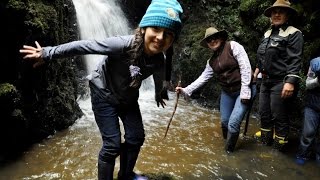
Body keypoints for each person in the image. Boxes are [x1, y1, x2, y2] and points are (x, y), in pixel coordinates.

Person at [19, 0, 183, 179]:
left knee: (136, 137)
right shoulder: (121, 45)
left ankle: (126, 175)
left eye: (168, 34)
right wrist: (47, 53)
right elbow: (85, 46)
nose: (160, 37)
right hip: (103, 94)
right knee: (112, 145)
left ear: (172, 40)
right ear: (144, 28)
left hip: (127, 97)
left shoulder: (159, 59)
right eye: (156, 30)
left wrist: (159, 92)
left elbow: (159, 75)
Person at [175, 27, 254, 153]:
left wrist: (245, 91)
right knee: (224, 122)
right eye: (209, 40)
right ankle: (227, 142)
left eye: (215, 38)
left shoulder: (233, 46)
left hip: (243, 89)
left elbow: (245, 67)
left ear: (221, 38)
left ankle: (228, 153)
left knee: (233, 125)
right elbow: (203, 78)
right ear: (207, 44)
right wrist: (186, 90)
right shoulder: (211, 62)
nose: (212, 41)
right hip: (227, 92)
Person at [256, 0, 303, 151]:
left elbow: (295, 59)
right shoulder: (267, 33)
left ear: (287, 15)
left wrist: (290, 81)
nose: (276, 14)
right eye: (274, 11)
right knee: (264, 113)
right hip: (265, 80)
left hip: (280, 81)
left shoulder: (294, 33)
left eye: (281, 11)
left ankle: (278, 150)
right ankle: (265, 143)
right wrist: (257, 68)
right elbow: (263, 55)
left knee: (279, 116)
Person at [296, 57, 320, 165]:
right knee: (307, 134)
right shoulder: (316, 63)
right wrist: (317, 81)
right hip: (313, 104)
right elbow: (307, 84)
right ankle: (302, 155)